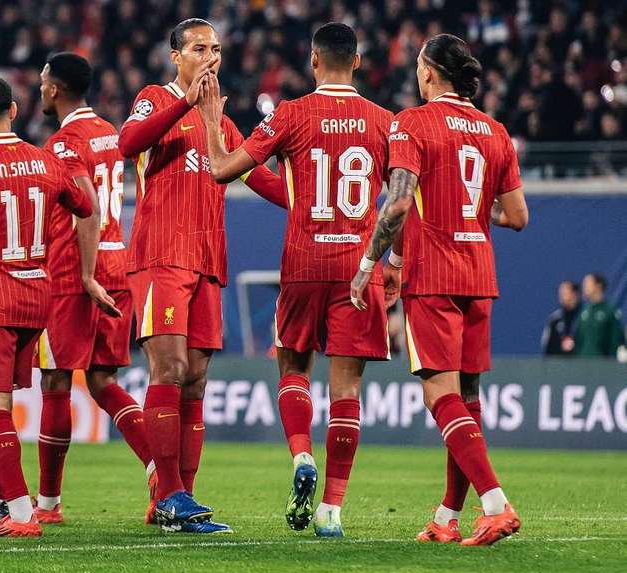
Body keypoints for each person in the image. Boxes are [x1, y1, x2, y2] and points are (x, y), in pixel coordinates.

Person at [199, 23, 393, 538]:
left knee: (292, 366)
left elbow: (223, 169)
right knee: (347, 385)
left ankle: (302, 456)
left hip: (305, 262)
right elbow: (401, 201)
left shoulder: (290, 114)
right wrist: (395, 261)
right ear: (356, 62)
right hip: (359, 264)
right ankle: (332, 508)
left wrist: (210, 122)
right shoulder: (383, 121)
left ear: (312, 61)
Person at [350, 34, 529, 546]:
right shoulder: (495, 131)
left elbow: (400, 204)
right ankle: (448, 516)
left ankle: (495, 504)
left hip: (436, 276)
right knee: (467, 399)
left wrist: (370, 264)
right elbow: (517, 216)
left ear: (428, 72)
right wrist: (470, 211)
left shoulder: (412, 122)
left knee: (439, 394)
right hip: (479, 273)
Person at [117, 17, 285, 534]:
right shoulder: (155, 97)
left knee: (195, 381)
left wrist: (318, 206)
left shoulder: (222, 124)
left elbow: (264, 181)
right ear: (176, 55)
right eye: (197, 48)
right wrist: (185, 103)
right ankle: (168, 494)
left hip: (208, 261)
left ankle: (181, 497)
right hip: (161, 256)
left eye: (214, 48)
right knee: (167, 370)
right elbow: (127, 144)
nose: (209, 56)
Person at [0, 75, 94, 538]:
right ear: (14, 112)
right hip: (37, 298)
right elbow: (85, 203)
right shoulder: (45, 160)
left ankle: (19, 512)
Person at [35, 52, 156, 525]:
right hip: (117, 262)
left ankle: (47, 504)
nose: (40, 88)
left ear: (54, 89)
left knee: (56, 381)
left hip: (73, 272)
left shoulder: (64, 142)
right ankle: (158, 472)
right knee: (105, 382)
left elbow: (84, 202)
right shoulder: (109, 132)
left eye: (44, 81)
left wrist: (83, 275)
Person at [574, 273, 626, 357]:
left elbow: (616, 341)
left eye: (587, 284)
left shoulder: (610, 311)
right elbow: (578, 340)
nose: (584, 287)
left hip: (601, 364)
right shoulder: (583, 311)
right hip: (582, 364)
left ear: (598, 286)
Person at [541, 280, 581, 355]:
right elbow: (547, 345)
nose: (561, 297)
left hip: (580, 364)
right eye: (560, 294)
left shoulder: (584, 317)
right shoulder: (555, 318)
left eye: (565, 293)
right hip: (558, 365)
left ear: (575, 294)